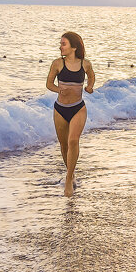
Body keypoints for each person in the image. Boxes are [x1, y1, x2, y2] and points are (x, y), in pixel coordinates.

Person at [46, 31, 95, 196]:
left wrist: (89, 87)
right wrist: (59, 89)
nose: (60, 47)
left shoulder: (85, 64)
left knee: (73, 140)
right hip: (60, 109)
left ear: (74, 47)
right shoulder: (57, 64)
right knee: (64, 145)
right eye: (60, 44)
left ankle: (68, 180)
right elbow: (48, 84)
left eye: (63, 44)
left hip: (78, 108)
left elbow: (91, 76)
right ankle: (71, 173)